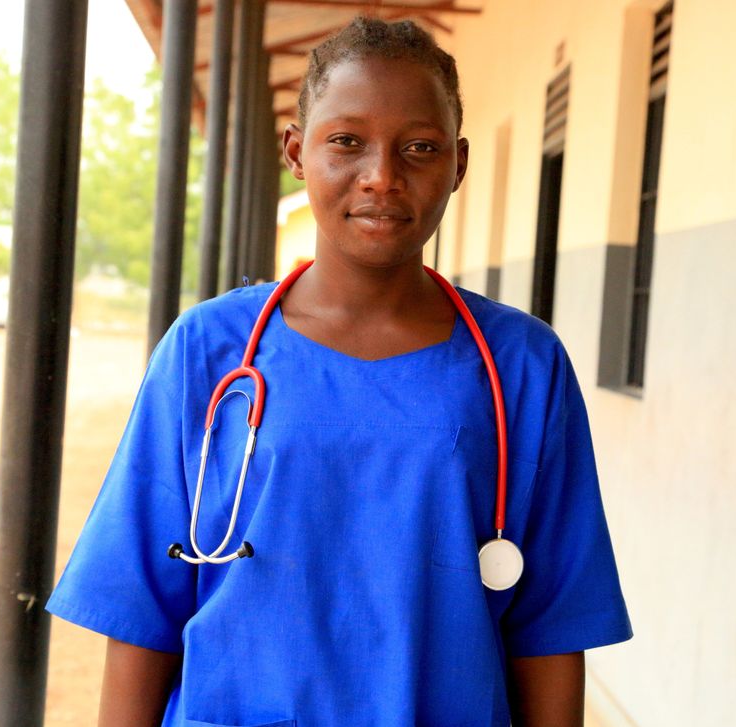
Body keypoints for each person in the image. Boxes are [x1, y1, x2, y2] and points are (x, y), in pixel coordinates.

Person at [47, 17, 632, 727]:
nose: (382, 175)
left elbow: (551, 627)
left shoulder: (523, 366)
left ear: (459, 163)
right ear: (297, 152)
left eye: (419, 147)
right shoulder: (207, 351)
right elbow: (143, 609)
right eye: (346, 142)